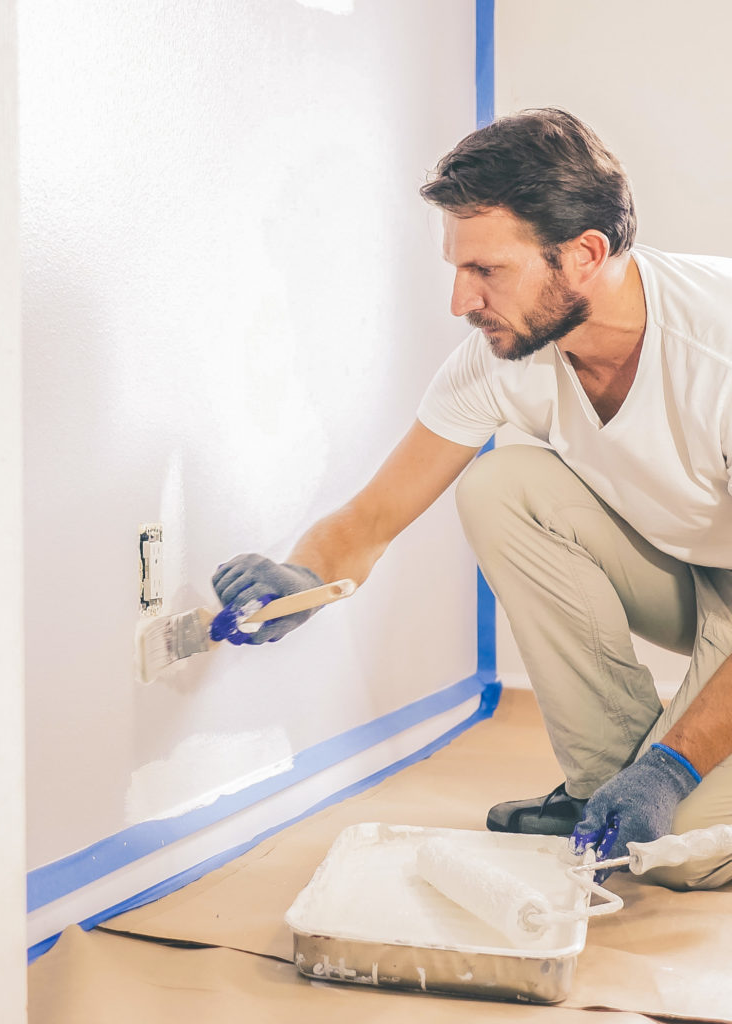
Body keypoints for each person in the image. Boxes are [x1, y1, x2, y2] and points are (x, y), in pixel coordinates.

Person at [213, 108, 732, 890]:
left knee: (679, 858)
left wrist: (669, 768)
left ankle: (654, 784)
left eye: (487, 270)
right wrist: (301, 581)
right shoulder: (502, 357)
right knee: (501, 486)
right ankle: (602, 786)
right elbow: (372, 518)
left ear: (586, 254)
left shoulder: (716, 351)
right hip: (699, 568)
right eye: (458, 269)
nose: (462, 301)